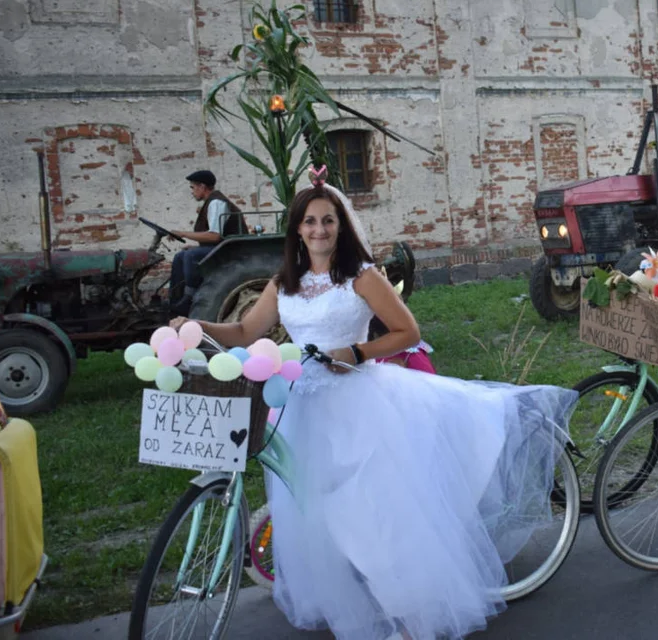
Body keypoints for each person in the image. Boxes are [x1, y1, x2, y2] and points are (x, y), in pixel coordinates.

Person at [170, 171, 577, 639]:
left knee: (374, 516)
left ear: (341, 226)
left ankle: (413, 616)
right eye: (309, 221)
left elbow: (408, 332)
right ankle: (364, 596)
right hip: (302, 408)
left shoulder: (360, 278)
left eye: (328, 220)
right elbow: (245, 332)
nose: (319, 230)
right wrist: (197, 327)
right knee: (323, 514)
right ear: (297, 229)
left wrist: (357, 352)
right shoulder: (284, 282)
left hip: (361, 403)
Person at [169, 170, 246, 315]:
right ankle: (175, 298)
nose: (192, 192)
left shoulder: (216, 202)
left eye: (193, 187)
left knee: (190, 256)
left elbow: (215, 236)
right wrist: (194, 245)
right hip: (221, 247)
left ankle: (190, 297)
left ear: (202, 187)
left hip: (231, 250)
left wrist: (183, 233)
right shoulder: (211, 202)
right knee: (181, 255)